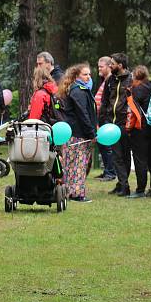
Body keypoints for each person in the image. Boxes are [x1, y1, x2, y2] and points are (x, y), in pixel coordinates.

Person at [58, 63, 96, 203]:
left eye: (89, 74)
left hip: (73, 133)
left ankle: (67, 191)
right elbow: (83, 114)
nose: (88, 77)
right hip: (78, 134)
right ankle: (77, 194)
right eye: (85, 74)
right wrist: (91, 133)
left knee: (70, 164)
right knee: (79, 164)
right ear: (76, 76)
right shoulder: (79, 91)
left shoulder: (75, 89)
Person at [99, 53, 134, 196]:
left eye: (112, 63)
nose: (110, 65)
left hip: (125, 123)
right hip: (111, 124)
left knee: (124, 156)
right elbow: (105, 101)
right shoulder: (110, 80)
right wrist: (103, 119)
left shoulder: (131, 80)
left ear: (120, 65)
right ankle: (123, 186)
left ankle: (122, 184)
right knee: (117, 155)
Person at [126, 65, 151, 198]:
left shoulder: (137, 90)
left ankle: (140, 189)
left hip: (140, 128)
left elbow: (132, 111)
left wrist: (128, 128)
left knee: (140, 159)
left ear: (135, 76)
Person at [93, 56, 116, 181]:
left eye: (101, 67)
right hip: (101, 118)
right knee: (102, 145)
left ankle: (110, 173)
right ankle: (107, 170)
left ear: (108, 66)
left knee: (107, 146)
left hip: (106, 118)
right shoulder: (105, 80)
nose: (99, 69)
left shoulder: (110, 80)